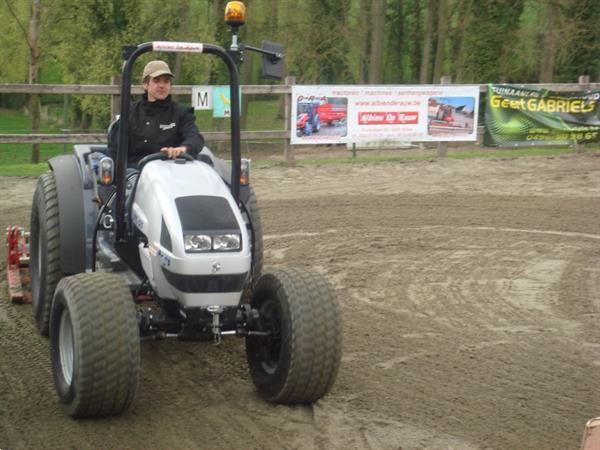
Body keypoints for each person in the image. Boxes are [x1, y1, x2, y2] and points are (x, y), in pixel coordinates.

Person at [108, 60, 203, 166]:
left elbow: (194, 137)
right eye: (156, 81)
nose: (162, 85)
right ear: (145, 85)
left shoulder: (181, 113)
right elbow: (115, 148)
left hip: (171, 169)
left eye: (166, 81)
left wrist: (183, 149)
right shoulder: (130, 112)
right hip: (136, 171)